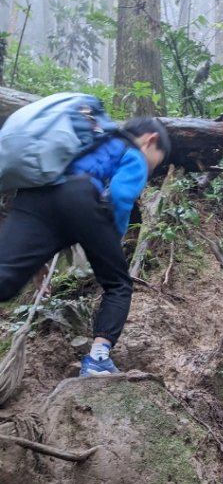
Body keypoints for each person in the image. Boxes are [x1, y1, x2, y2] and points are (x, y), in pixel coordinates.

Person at [0, 116, 171, 376]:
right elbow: (120, 196)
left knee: (5, 279)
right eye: (156, 162)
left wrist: (37, 261)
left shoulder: (91, 139)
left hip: (34, 195)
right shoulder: (132, 152)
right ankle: (98, 359)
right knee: (118, 285)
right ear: (151, 140)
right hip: (79, 196)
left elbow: (54, 212)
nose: (152, 168)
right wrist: (113, 243)